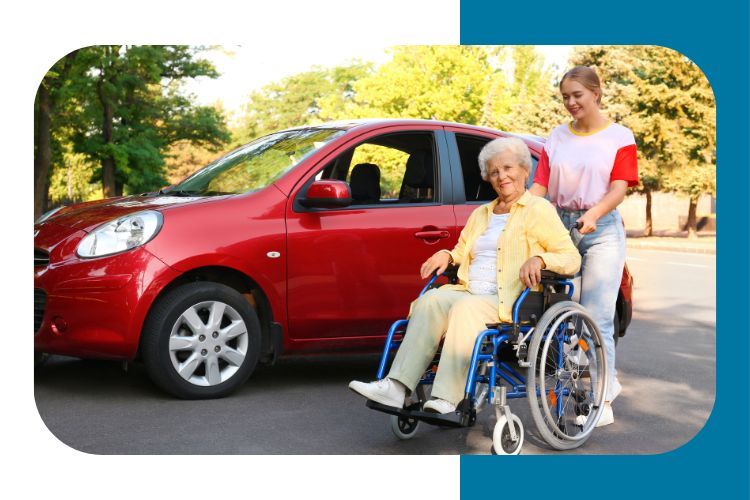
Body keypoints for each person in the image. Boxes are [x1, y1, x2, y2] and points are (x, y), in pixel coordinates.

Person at [349, 137, 581, 414]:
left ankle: (448, 396)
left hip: (509, 298)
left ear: (523, 170)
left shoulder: (539, 210)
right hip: (470, 291)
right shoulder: (481, 213)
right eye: (494, 172)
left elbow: (571, 258)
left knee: (465, 308)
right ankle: (396, 388)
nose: (502, 176)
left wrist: (542, 258)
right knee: (430, 301)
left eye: (508, 168)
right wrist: (447, 255)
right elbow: (462, 250)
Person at [530, 65, 639, 427]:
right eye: (565, 97)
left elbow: (619, 188)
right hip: (560, 225)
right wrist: (517, 214)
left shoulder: (619, 137)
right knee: (560, 313)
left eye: (577, 95)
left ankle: (602, 400)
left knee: (597, 314)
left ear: (596, 92)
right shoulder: (556, 137)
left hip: (601, 227)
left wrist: (594, 213)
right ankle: (597, 370)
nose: (571, 103)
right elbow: (540, 187)